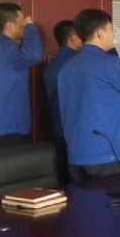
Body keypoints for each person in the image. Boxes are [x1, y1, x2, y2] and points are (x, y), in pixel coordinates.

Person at [58, 9, 120, 183]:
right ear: (100, 32)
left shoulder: (66, 68)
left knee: (81, 200)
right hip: (106, 154)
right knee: (110, 200)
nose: (114, 35)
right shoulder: (110, 65)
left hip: (76, 154)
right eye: (111, 30)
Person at [0, 2, 42, 149]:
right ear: (9, 25)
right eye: (22, 21)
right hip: (8, 132)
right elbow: (34, 54)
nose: (24, 24)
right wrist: (30, 27)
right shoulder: (8, 49)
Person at [42, 20, 82, 183]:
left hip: (58, 129)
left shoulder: (51, 65)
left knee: (64, 181)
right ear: (73, 37)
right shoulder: (77, 64)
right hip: (76, 132)